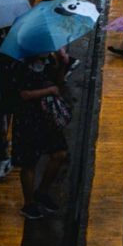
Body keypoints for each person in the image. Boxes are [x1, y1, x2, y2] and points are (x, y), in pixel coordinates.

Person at [13, 55, 71, 219]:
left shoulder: (50, 62)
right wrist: (48, 91)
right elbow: (23, 94)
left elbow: (59, 82)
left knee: (60, 153)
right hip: (28, 118)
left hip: (48, 117)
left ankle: (42, 191)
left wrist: (62, 63)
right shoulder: (20, 66)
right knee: (29, 162)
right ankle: (29, 203)